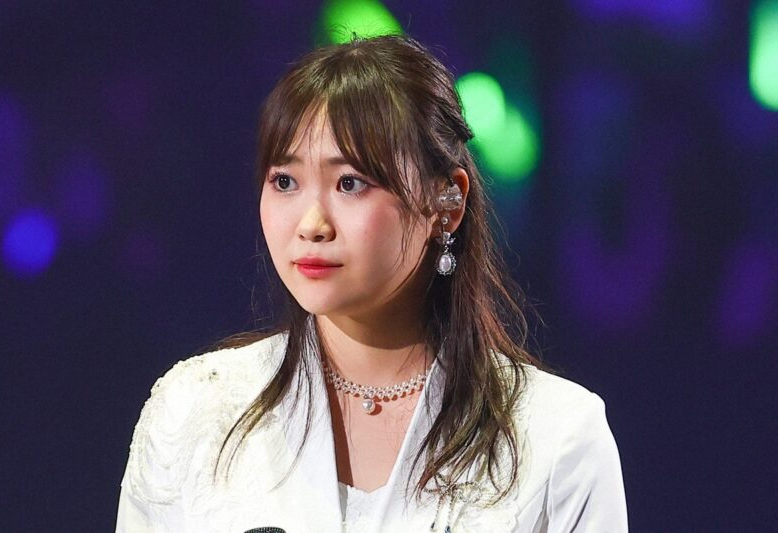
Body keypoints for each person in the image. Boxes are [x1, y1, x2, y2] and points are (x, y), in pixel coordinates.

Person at [115, 35, 627, 532]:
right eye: (285, 182)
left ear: (447, 202)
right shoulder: (194, 414)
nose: (311, 224)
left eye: (350, 183)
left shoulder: (556, 438)